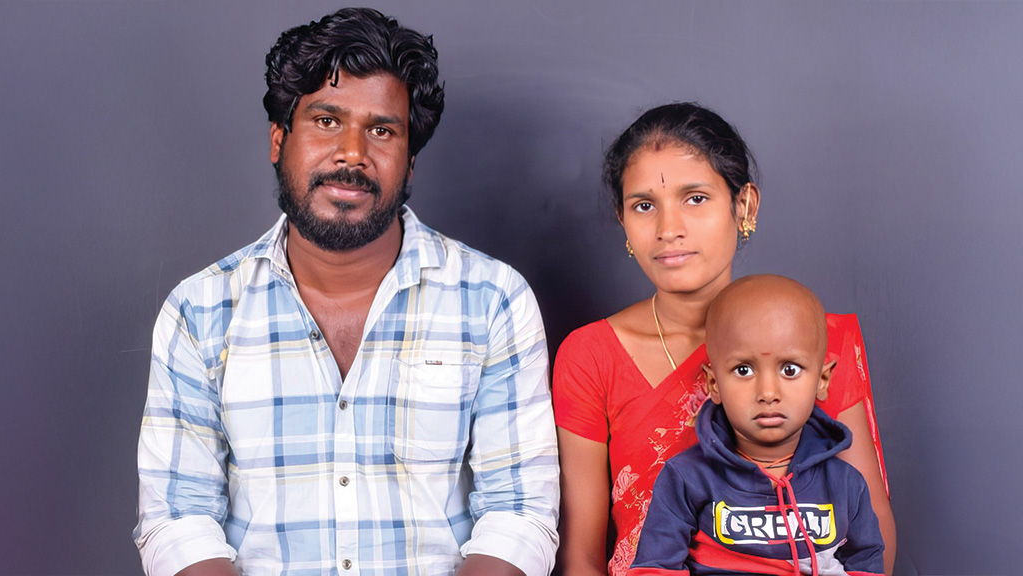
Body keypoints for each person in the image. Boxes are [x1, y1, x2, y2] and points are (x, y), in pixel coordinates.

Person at [134, 8, 558, 576]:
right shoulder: (200, 310)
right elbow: (178, 521)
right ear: (279, 140)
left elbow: (519, 515)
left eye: (382, 130)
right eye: (327, 121)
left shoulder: (494, 300)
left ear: (410, 163)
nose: (353, 153)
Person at [552, 103, 895, 575]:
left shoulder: (819, 342)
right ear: (623, 220)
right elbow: (580, 557)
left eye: (695, 198)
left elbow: (869, 534)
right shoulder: (592, 356)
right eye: (644, 205)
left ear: (745, 205)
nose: (669, 230)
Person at [628, 274, 884, 575]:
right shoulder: (686, 478)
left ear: (822, 380)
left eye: (790, 370)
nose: (767, 393)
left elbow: (866, 562)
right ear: (714, 384)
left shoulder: (845, 483)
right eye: (743, 370)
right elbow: (656, 568)